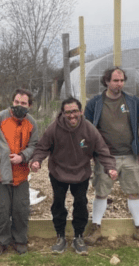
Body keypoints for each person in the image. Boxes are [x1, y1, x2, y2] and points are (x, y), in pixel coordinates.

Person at [30, 97, 117, 255]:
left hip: (81, 173)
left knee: (81, 204)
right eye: (68, 112)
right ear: (62, 113)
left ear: (81, 112)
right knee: (58, 204)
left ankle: (78, 237)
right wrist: (36, 161)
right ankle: (60, 237)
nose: (72, 116)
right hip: (58, 172)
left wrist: (110, 168)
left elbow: (102, 150)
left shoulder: (89, 129)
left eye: (75, 111)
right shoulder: (53, 129)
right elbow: (42, 147)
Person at [84, 67, 139, 247]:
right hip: (105, 157)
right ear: (106, 81)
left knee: (134, 192)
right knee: (101, 193)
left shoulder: (133, 102)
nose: (119, 84)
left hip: (130, 155)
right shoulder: (95, 104)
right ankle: (96, 228)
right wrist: (91, 153)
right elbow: (87, 129)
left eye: (122, 80)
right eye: (115, 80)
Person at [0, 89, 38, 257]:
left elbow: (34, 145)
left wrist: (22, 156)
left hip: (21, 175)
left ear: (29, 105)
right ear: (12, 101)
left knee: (21, 210)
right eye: (16, 102)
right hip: (0, 175)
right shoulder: (1, 118)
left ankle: (20, 240)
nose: (19, 105)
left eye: (23, 103)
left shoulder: (31, 123)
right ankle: (1, 242)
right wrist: (6, 157)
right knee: (1, 210)